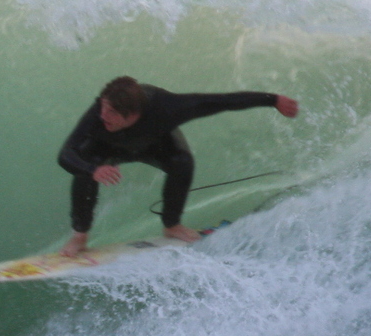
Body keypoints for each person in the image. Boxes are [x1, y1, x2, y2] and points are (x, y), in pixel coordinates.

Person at [58, 76, 298, 256]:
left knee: (182, 161)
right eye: (102, 106)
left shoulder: (167, 108)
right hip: (108, 148)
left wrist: (273, 100)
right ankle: (80, 235)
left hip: (155, 145)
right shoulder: (99, 114)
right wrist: (93, 170)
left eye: (110, 112)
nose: (102, 115)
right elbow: (66, 154)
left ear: (131, 115)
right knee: (83, 167)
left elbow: (219, 102)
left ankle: (172, 225)